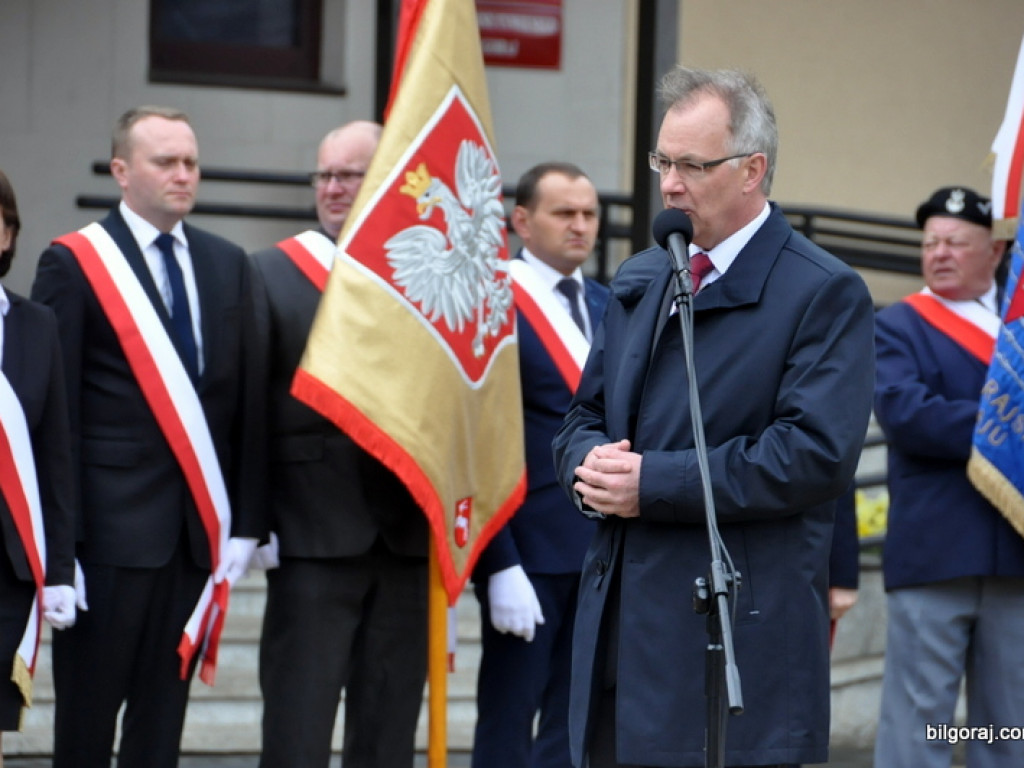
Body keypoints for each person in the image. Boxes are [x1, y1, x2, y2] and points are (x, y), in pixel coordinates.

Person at [551, 66, 875, 768]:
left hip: (730, 642)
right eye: (662, 161)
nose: (669, 183)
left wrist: (652, 483)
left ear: (752, 169)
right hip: (616, 632)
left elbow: (813, 454)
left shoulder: (822, 292)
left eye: (692, 165)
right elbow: (581, 415)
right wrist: (587, 464)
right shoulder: (641, 278)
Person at [31, 106, 266, 768]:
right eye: (165, 161)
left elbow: (242, 404)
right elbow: (57, 418)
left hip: (195, 542)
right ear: (121, 171)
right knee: (86, 724)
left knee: (161, 727)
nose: (183, 174)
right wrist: (59, 551)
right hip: (106, 543)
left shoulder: (227, 263)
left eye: (191, 162)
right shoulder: (74, 264)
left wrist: (247, 522)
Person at [250, 120, 430, 768]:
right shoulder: (270, 272)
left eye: (348, 175)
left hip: (407, 541)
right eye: (322, 175)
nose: (331, 188)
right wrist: (254, 521)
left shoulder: (424, 273)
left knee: (387, 737)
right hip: (309, 536)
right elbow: (248, 410)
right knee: (298, 732)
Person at [872, 186, 1024, 768]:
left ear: (995, 249)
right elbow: (908, 415)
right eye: (931, 242)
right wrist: (1007, 425)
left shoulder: (1015, 325)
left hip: (1013, 554)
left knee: (1008, 727)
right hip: (935, 552)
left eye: (957, 242)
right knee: (921, 725)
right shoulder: (901, 324)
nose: (939, 253)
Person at [470, 162, 608, 768]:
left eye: (590, 214)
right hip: (525, 553)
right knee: (508, 726)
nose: (581, 226)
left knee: (575, 727)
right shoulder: (490, 301)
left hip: (603, 550)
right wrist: (497, 563)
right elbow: (473, 438)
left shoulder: (610, 303)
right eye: (564, 213)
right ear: (521, 221)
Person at [0, 170, 78, 766]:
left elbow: (53, 456)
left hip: (7, 566)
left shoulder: (35, 325)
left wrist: (57, 571)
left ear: (8, 236)